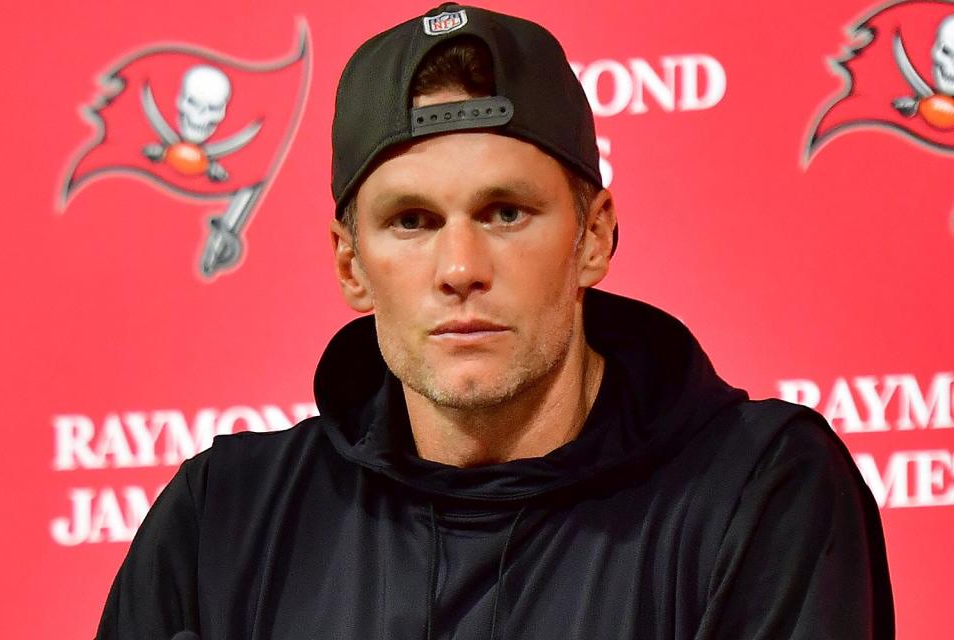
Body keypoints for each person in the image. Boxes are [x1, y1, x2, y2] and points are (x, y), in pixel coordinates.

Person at [96, 4, 894, 639]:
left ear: (595, 237)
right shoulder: (222, 521)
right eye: (411, 221)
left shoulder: (758, 488)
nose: (459, 267)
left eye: (506, 211)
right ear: (349, 265)